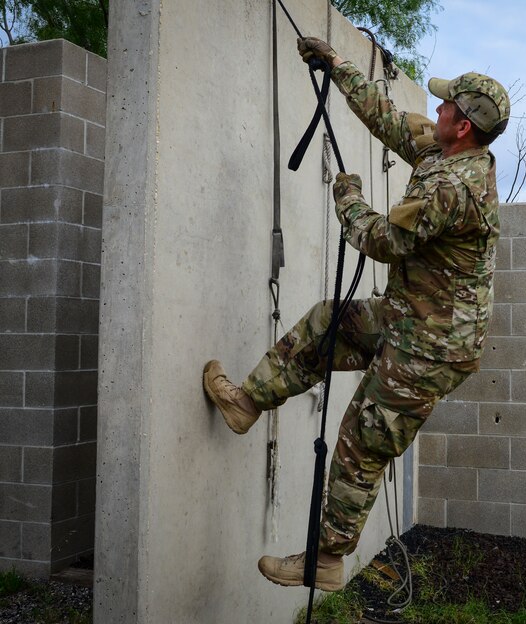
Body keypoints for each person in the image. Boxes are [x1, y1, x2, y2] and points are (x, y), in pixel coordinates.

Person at [203, 36, 510, 592]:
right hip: (411, 317)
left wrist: (346, 196)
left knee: (361, 440)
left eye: (446, 105)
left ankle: (327, 558)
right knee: (330, 321)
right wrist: (338, 67)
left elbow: (381, 239)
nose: (437, 107)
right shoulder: (450, 153)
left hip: (433, 347)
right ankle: (246, 402)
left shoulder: (451, 187)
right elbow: (393, 121)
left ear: (463, 125)